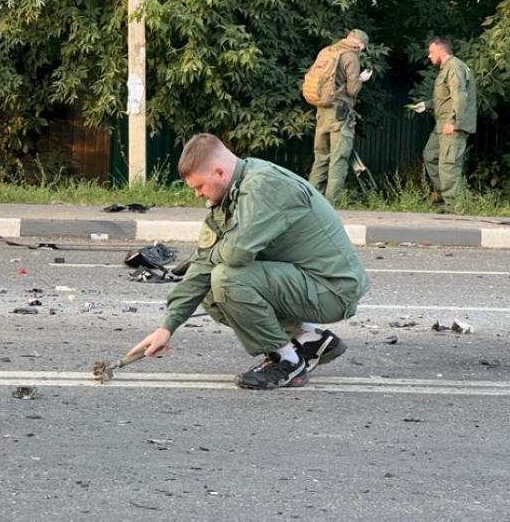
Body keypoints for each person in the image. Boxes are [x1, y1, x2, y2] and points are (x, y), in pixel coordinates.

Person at [128, 134, 370, 390]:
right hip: (305, 281)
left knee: (227, 278)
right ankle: (308, 339)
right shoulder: (230, 196)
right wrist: (166, 327)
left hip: (332, 289)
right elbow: (201, 265)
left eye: (199, 187)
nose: (197, 195)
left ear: (219, 172)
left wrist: (210, 258)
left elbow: (235, 254)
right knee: (210, 289)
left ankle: (286, 362)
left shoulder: (264, 187)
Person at [409, 36, 477, 212]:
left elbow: (460, 97)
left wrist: (453, 122)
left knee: (448, 165)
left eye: (431, 52)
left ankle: (453, 208)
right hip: (441, 125)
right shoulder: (446, 69)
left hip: (451, 125)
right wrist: (427, 105)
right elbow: (445, 97)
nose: (429, 56)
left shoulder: (454, 67)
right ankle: (444, 196)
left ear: (441, 51)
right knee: (430, 155)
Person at [307, 29, 373, 205]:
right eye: (362, 48)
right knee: (339, 159)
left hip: (322, 111)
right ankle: (331, 205)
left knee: (321, 157)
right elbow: (352, 90)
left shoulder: (326, 51)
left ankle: (312, 203)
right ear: (360, 44)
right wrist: (361, 79)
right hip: (340, 114)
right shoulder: (351, 56)